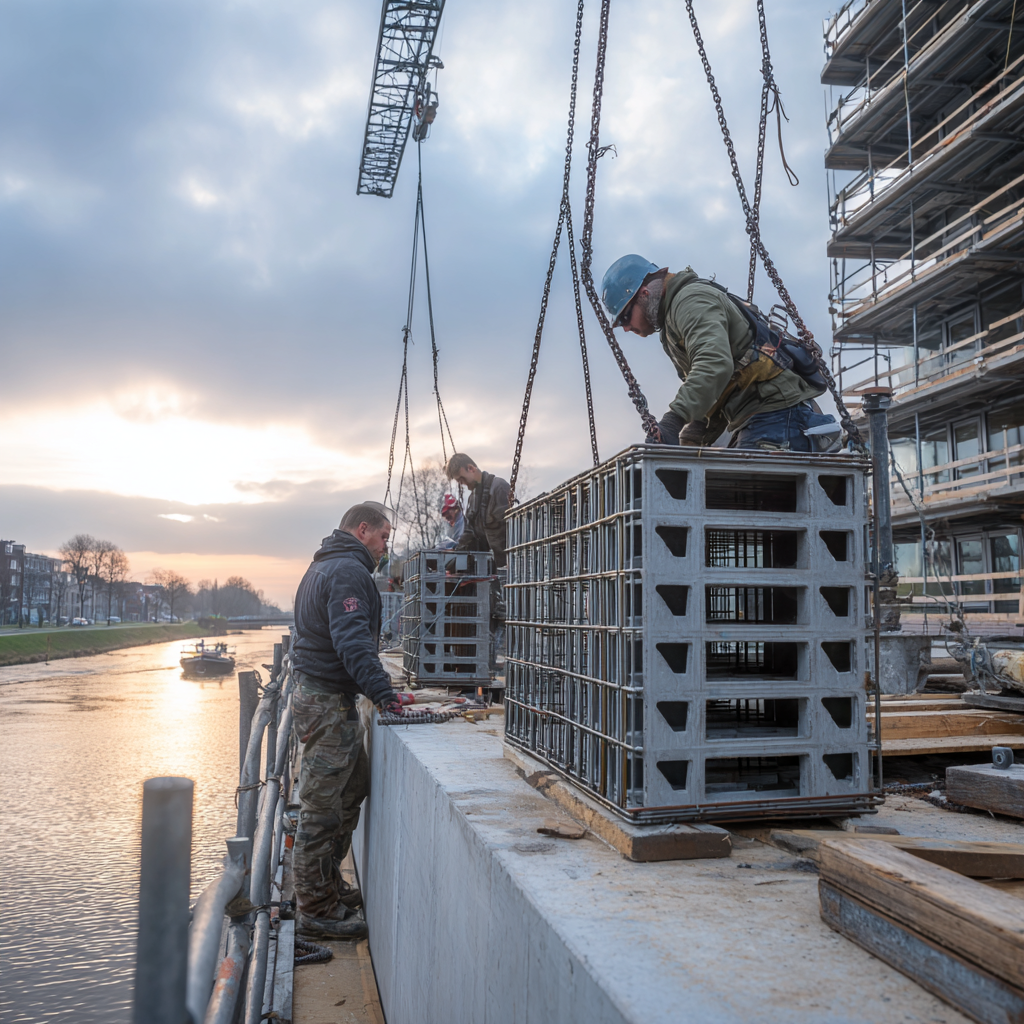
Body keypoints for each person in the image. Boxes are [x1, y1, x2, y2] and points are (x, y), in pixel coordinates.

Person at [290, 501, 405, 940]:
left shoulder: (326, 565)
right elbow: (353, 641)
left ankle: (328, 884)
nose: (385, 547)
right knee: (321, 809)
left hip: (326, 697)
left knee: (352, 788)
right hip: (326, 703)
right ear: (362, 530)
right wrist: (384, 693)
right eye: (383, 537)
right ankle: (314, 910)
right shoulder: (347, 572)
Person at [601, 254, 841, 451]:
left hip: (777, 414)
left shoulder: (690, 302)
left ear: (644, 294)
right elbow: (718, 385)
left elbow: (714, 365)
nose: (625, 328)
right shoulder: (673, 320)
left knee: (739, 492)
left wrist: (674, 420)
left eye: (625, 316)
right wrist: (695, 434)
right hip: (762, 416)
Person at [444, 453, 511, 568]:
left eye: (462, 479)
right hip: (491, 567)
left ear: (471, 468)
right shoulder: (473, 499)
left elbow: (509, 529)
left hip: (508, 563)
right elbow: (470, 533)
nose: (462, 484)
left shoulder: (498, 487)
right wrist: (456, 554)